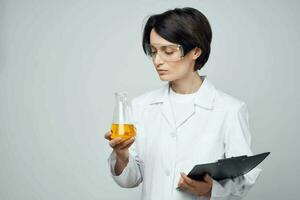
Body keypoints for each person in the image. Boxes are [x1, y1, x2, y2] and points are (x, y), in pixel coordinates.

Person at [104, 7, 261, 200]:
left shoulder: (229, 109)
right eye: (153, 51)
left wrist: (209, 190)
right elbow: (130, 179)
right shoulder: (141, 106)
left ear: (195, 51)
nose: (157, 60)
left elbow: (246, 176)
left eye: (168, 51)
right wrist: (122, 155)